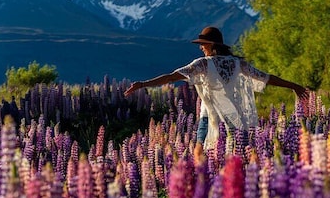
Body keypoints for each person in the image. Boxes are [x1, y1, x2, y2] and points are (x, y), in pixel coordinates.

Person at [124, 26, 308, 155]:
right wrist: (294, 86)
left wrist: (143, 84)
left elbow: (172, 76)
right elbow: (266, 77)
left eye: (203, 43)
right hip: (235, 118)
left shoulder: (203, 64)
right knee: (235, 156)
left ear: (212, 45)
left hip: (210, 118)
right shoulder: (238, 63)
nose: (200, 47)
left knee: (201, 156)